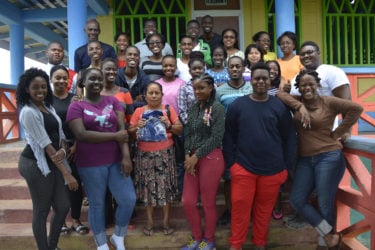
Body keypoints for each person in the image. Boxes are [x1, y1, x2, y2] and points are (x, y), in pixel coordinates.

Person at [276, 69, 363, 250]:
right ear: (298, 88)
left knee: (324, 201)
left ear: (318, 85)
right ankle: (329, 233)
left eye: (310, 84)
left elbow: (356, 109)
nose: (307, 87)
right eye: (303, 85)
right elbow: (279, 94)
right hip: (306, 159)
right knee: (297, 200)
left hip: (329, 157)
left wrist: (339, 132)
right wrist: (300, 107)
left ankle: (327, 241)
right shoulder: (297, 102)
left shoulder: (328, 101)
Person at [224, 62, 296, 250]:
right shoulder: (238, 106)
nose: (261, 82)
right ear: (251, 80)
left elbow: (289, 138)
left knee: (264, 211)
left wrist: (286, 167)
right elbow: (229, 136)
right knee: (240, 209)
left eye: (265, 78)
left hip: (273, 170)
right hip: (243, 168)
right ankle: (236, 244)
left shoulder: (279, 107)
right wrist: (232, 165)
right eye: (257, 78)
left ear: (270, 79)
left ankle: (260, 243)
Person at [67, 68, 136, 250]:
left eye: (100, 79)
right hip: (89, 162)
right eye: (92, 79)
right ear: (83, 83)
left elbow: (122, 131)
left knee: (128, 199)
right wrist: (113, 137)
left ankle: (118, 236)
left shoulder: (113, 101)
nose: (97, 82)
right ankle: (101, 243)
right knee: (97, 204)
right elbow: (81, 134)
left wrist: (126, 156)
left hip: (115, 159)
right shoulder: (76, 106)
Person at [17, 68, 78, 250]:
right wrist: (67, 174)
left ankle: (52, 246)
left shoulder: (47, 106)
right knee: (42, 209)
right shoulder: (28, 112)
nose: (41, 91)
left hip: (52, 160)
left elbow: (57, 132)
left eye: (44, 87)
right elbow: (45, 144)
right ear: (26, 88)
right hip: (35, 164)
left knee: (63, 205)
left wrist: (63, 148)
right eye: (35, 87)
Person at [128, 82, 183, 236]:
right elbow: (130, 131)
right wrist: (137, 126)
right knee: (148, 189)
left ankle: (166, 222)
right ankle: (150, 222)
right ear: (145, 95)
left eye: (156, 93)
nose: (153, 96)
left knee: (165, 189)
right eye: (150, 93)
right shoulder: (139, 111)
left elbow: (180, 129)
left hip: (165, 155)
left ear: (161, 95)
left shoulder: (168, 110)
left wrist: (169, 125)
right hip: (144, 156)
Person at [180, 74, 225, 250]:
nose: (197, 91)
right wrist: (186, 155)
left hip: (211, 157)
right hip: (191, 158)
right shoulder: (194, 108)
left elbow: (216, 137)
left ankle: (209, 240)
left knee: (208, 202)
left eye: (201, 88)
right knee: (187, 201)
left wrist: (196, 156)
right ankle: (197, 237)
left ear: (211, 88)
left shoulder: (217, 108)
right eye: (195, 88)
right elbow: (189, 133)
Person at [50, 65, 89, 236]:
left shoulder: (76, 99)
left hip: (75, 147)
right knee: (57, 185)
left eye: (64, 78)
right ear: (51, 79)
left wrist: (76, 145)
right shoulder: (45, 100)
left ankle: (75, 219)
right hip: (54, 149)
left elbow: (84, 123)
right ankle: (61, 221)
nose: (61, 81)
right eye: (57, 77)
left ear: (69, 80)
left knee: (76, 184)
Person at [216, 56, 253, 226]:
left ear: (244, 68)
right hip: (228, 139)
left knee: (250, 175)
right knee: (230, 177)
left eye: (238, 66)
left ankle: (249, 210)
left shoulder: (252, 88)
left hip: (250, 139)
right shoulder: (220, 91)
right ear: (227, 69)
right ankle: (230, 210)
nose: (235, 69)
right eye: (232, 66)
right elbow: (216, 114)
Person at [101, 57, 134, 123]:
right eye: (108, 69)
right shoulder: (94, 92)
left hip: (121, 130)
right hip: (99, 131)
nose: (111, 72)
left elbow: (130, 119)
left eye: (114, 69)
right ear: (101, 71)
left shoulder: (125, 92)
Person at [178, 57, 206, 125]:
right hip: (190, 126)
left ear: (204, 69)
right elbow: (182, 111)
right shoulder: (184, 88)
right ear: (190, 71)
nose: (197, 71)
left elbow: (215, 106)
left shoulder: (212, 86)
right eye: (194, 69)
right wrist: (192, 124)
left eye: (200, 68)